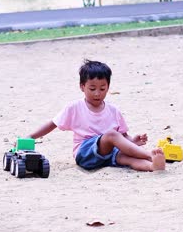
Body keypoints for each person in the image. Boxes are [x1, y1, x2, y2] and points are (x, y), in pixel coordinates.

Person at [26, 60, 166, 172]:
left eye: (102, 89)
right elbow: (53, 123)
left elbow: (123, 137)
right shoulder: (75, 107)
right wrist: (31, 137)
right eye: (92, 89)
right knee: (111, 135)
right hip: (85, 154)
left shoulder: (113, 110)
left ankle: (152, 166)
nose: (97, 93)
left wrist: (133, 141)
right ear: (82, 87)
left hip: (110, 153)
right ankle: (149, 155)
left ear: (108, 87)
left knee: (128, 159)